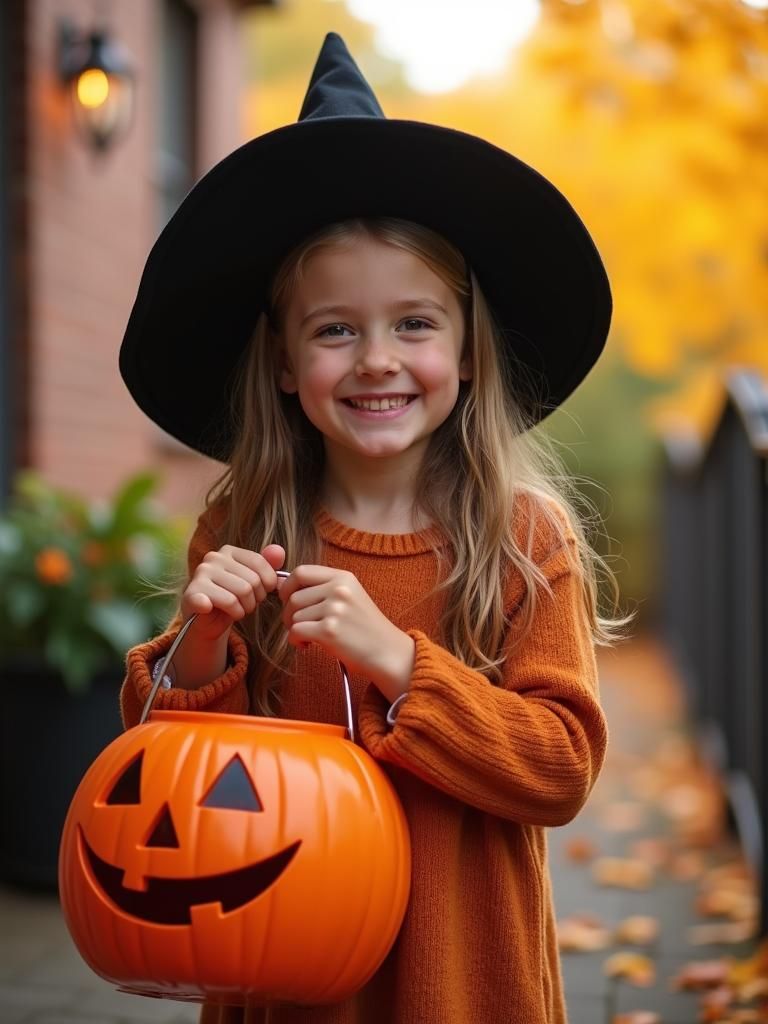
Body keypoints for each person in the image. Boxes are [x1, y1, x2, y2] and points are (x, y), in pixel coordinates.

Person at [119, 32, 625, 1024]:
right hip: (288, 983)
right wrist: (206, 642)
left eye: (414, 324)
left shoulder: (523, 537)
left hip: (468, 989)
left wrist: (398, 660)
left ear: (470, 348)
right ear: (281, 360)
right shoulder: (245, 528)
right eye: (336, 328)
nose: (376, 359)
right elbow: (165, 787)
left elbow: (561, 766)